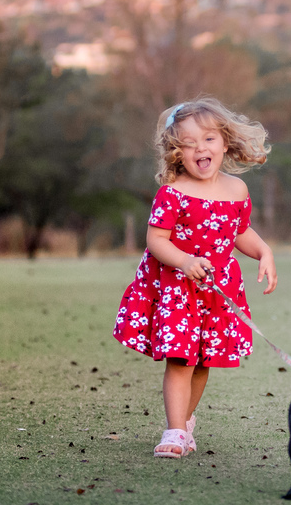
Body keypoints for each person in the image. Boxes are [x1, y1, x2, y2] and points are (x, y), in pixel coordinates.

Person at [113, 97, 277, 458]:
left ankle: (185, 423)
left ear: (225, 142)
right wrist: (185, 261)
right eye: (188, 144)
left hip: (216, 291)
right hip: (178, 289)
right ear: (176, 153)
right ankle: (173, 431)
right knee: (180, 359)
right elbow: (156, 240)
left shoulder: (237, 191)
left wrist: (264, 252)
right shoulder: (173, 193)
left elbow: (239, 232)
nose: (200, 148)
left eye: (208, 139)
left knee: (204, 362)